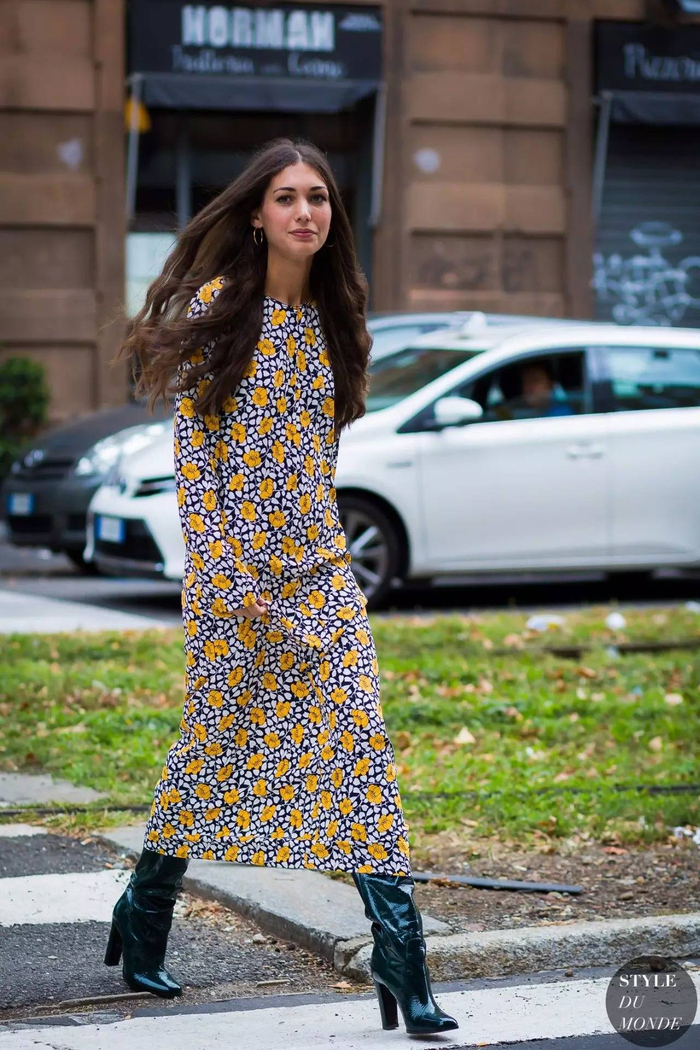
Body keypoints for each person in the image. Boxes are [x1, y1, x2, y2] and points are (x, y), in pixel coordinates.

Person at [103, 137, 458, 1035]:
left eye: (319, 198)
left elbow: (317, 462)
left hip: (321, 572)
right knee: (212, 752)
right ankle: (143, 915)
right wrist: (230, 575)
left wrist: (318, 562)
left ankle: (403, 959)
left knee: (360, 748)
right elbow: (196, 463)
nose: (306, 211)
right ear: (258, 216)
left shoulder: (339, 314)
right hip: (235, 582)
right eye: (288, 197)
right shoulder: (221, 309)